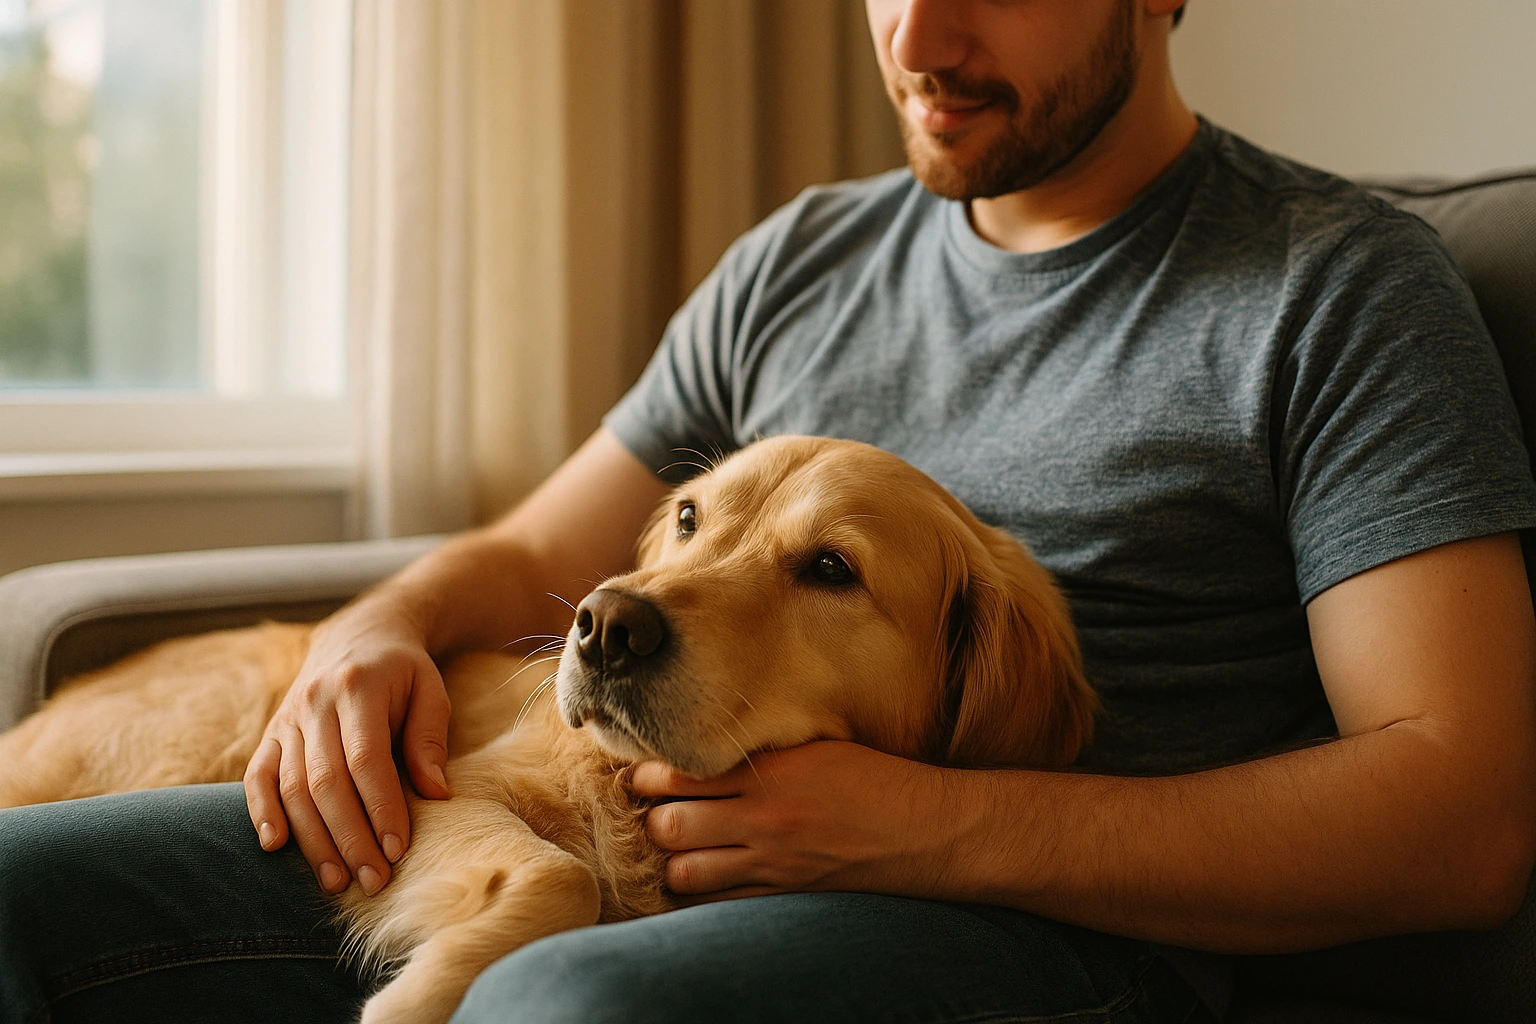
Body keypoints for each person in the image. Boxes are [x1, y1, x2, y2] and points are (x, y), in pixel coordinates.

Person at [3, 1, 1533, 1021]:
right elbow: (548, 558)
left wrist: (927, 828)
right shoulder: (801, 257)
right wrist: (377, 626)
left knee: (560, 1006)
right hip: (581, 829)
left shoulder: (1336, 290)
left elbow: (1467, 818)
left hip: (1060, 936)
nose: (921, 37)